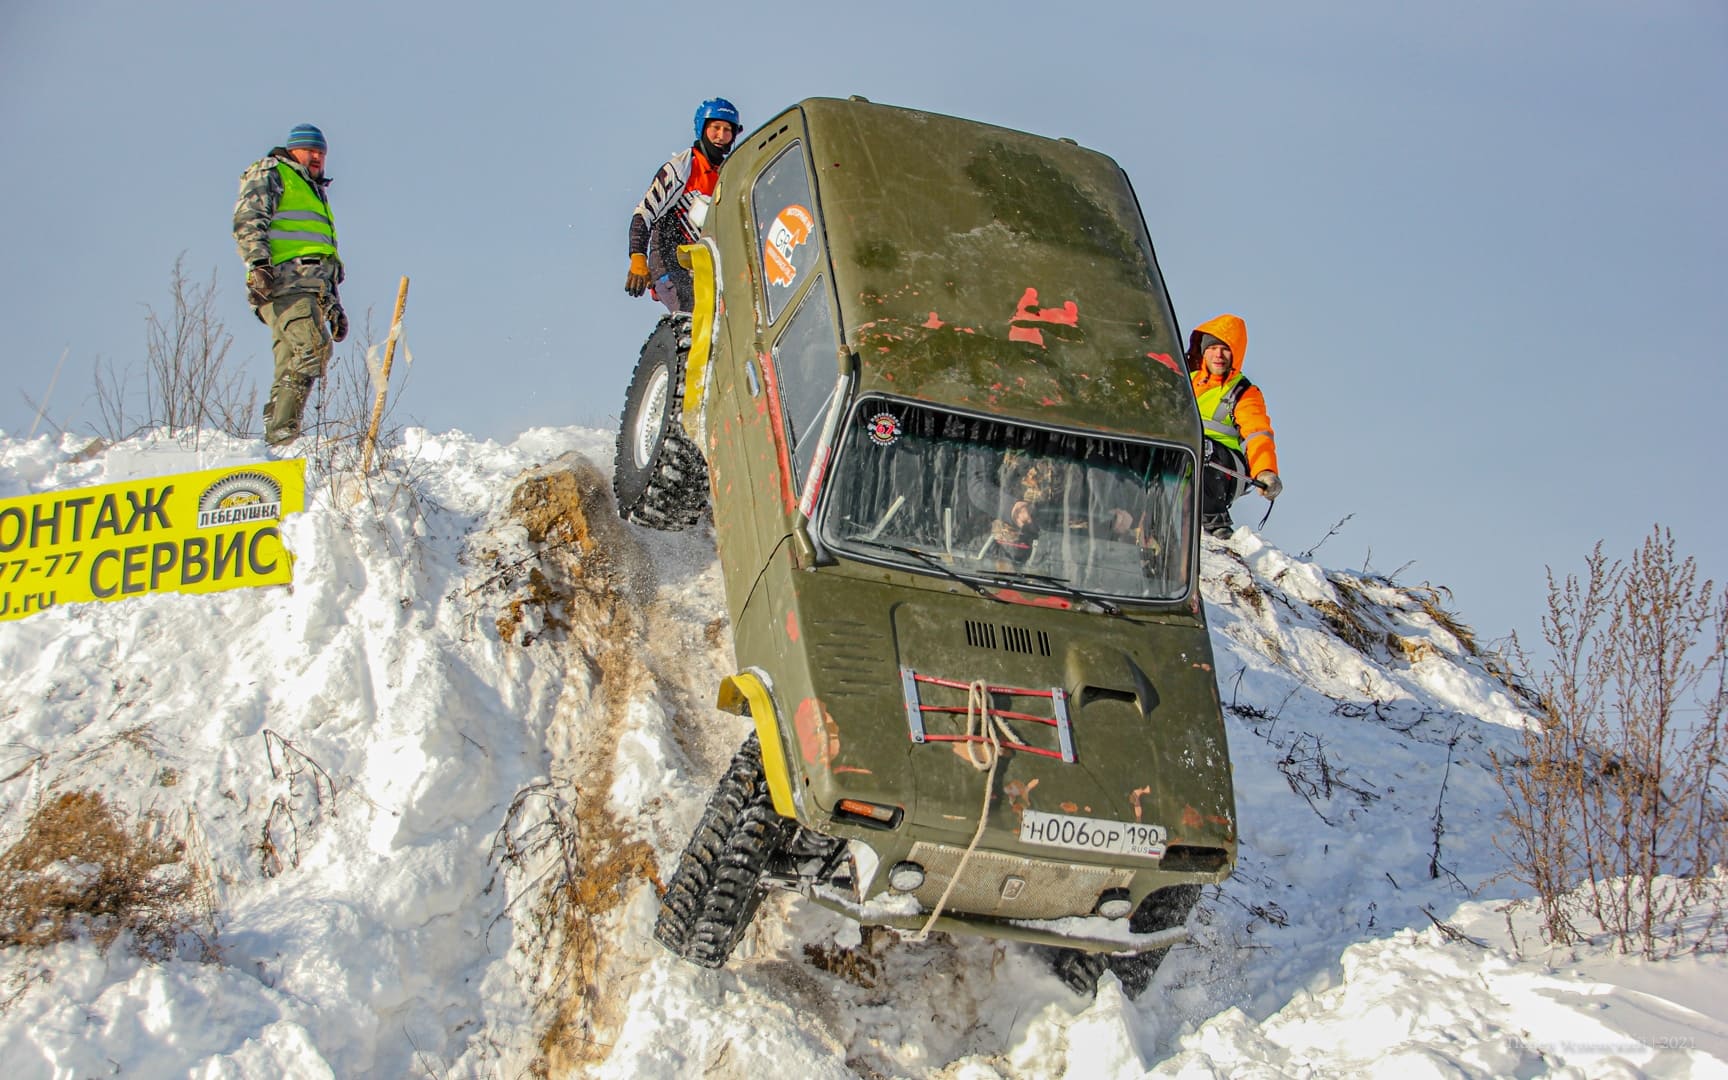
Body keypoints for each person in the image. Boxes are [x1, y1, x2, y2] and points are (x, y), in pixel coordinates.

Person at [233, 123, 347, 446]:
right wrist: (257, 265)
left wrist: (333, 304)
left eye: (321, 153)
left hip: (310, 289)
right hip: (283, 285)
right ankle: (281, 432)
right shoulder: (274, 173)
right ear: (294, 150)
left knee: (290, 363)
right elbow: (248, 218)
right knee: (313, 349)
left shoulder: (314, 194)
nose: (316, 158)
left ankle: (275, 443)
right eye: (311, 151)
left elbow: (321, 256)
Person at [625, 98, 741, 313]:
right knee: (693, 317)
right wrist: (638, 256)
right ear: (702, 128)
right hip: (671, 263)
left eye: (727, 130)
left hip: (705, 269)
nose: (721, 136)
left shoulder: (728, 174)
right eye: (715, 128)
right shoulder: (683, 167)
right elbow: (644, 212)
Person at [1187, 313, 1281, 538]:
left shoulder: (1242, 392)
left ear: (1236, 353)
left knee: (1202, 446)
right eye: (1213, 347)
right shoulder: (1183, 381)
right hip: (1182, 457)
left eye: (1225, 348)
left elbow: (1257, 432)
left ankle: (1215, 522)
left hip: (1223, 468)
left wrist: (1266, 471)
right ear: (1203, 350)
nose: (1218, 354)